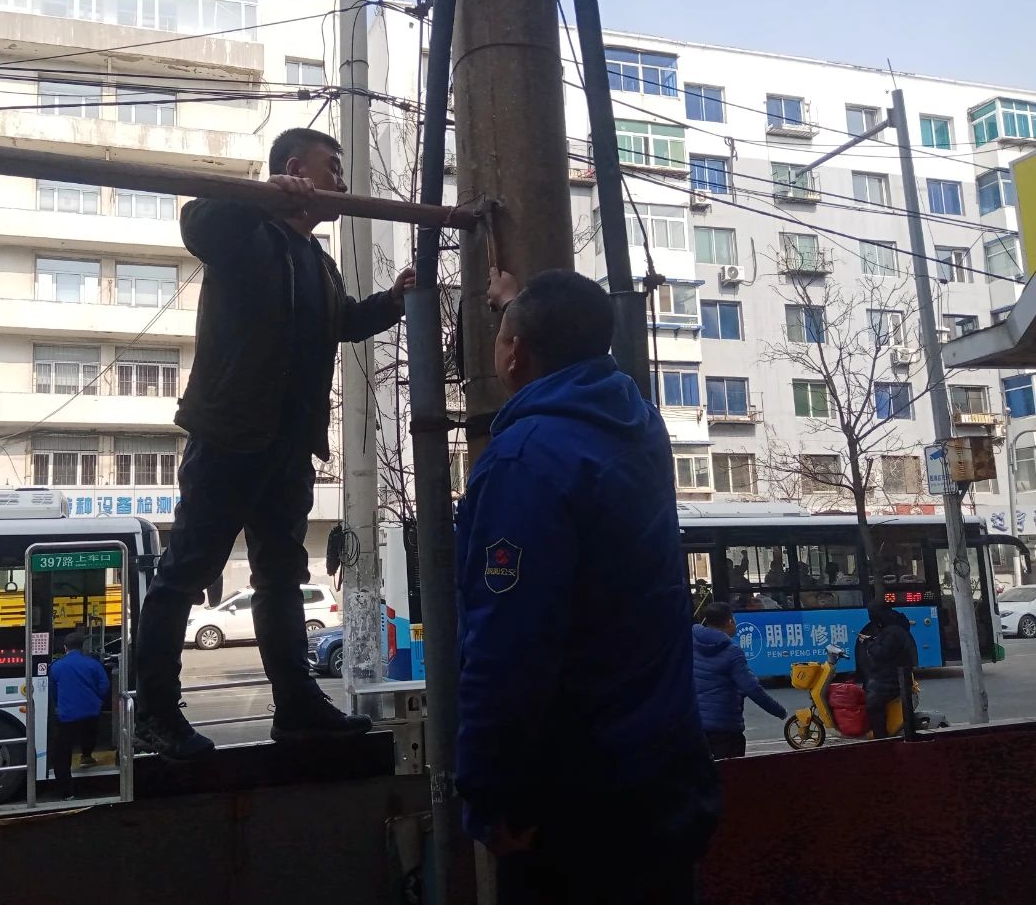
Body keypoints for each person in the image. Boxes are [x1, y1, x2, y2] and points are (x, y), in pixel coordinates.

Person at [133, 128, 416, 760]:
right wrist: (262, 195)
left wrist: (394, 301)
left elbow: (343, 321)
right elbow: (197, 222)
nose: (341, 182)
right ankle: (154, 712)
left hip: (289, 444)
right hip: (229, 434)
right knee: (188, 571)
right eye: (331, 167)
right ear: (295, 169)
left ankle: (297, 708)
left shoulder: (317, 261)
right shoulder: (244, 233)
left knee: (282, 578)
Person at [455, 266, 721, 905]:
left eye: (503, 334)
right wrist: (520, 304)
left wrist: (490, 794)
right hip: (664, 782)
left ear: (515, 354)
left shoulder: (523, 461)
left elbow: (507, 648)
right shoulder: (640, 426)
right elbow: (572, 338)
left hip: (575, 809)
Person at [692, 603, 788, 759]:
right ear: (730, 621)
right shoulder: (732, 652)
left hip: (695, 725)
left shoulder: (691, 642)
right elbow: (752, 688)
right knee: (731, 771)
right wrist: (780, 711)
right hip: (724, 728)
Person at [49, 632, 110, 799]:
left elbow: (52, 691)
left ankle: (67, 792)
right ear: (82, 647)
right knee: (89, 734)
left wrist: (59, 705)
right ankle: (87, 756)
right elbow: (104, 686)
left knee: (62, 753)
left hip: (67, 714)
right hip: (91, 711)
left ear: (65, 648)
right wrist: (97, 700)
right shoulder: (93, 664)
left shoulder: (56, 666)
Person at [858, 600, 917, 739]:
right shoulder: (893, 627)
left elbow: (881, 653)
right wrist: (872, 639)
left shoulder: (893, 631)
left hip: (892, 679)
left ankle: (881, 739)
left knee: (873, 705)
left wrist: (868, 643)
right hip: (892, 676)